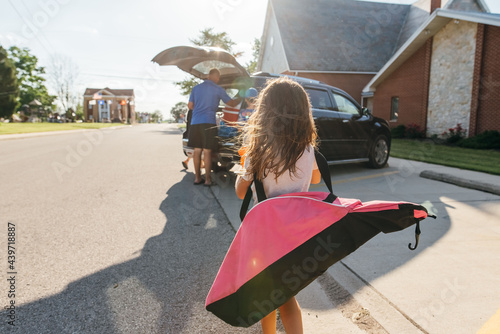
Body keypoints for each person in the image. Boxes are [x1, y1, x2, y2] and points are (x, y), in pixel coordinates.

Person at [234, 77, 321, 334]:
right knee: (285, 293)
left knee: (270, 295)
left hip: (266, 235)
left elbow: (241, 192)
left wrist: (243, 165)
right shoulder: (307, 149)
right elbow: (315, 178)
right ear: (303, 113)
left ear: (265, 112)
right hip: (297, 233)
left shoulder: (257, 151)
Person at [187, 68, 241, 186]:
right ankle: (207, 180)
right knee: (207, 151)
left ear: (208, 75)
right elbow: (231, 104)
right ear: (216, 77)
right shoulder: (218, 89)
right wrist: (241, 96)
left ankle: (197, 178)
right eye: (218, 78)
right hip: (208, 122)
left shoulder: (196, 88)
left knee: (197, 150)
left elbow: (190, 106)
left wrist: (199, 108)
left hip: (195, 122)